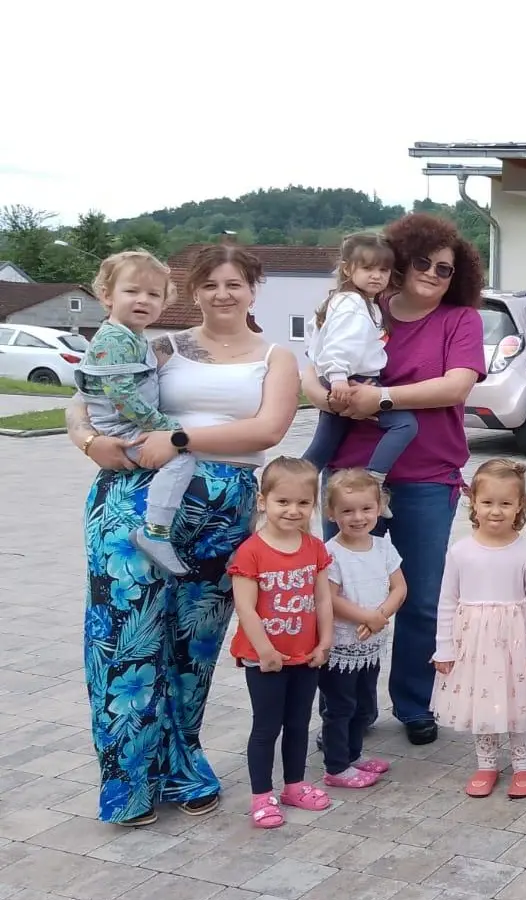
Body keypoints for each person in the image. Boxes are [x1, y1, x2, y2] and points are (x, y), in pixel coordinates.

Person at [71, 242, 299, 826]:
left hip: (224, 511)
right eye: (211, 284)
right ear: (192, 291)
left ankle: (182, 765)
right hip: (135, 500)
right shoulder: (161, 346)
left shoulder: (276, 356)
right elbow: (86, 398)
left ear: (253, 290)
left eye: (235, 283)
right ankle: (127, 785)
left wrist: (179, 440)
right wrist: (90, 442)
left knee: (191, 649)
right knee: (126, 641)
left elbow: (268, 429)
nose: (223, 293)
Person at [305, 212, 487, 747]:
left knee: (421, 598)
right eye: (424, 263)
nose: (434, 274)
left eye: (447, 269)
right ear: (400, 263)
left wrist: (380, 398)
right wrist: (335, 397)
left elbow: (456, 387)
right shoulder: (360, 305)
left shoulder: (461, 321)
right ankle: (348, 710)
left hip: (428, 478)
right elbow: (311, 371)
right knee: (340, 596)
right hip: (351, 482)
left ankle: (414, 703)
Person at [431, 459, 526, 799]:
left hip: (515, 645)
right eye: (488, 503)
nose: (496, 511)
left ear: (520, 506)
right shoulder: (460, 552)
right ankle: (486, 764)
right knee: (482, 705)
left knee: (518, 707)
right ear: (473, 503)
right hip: (474, 645)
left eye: (505, 503)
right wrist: (443, 647)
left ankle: (523, 765)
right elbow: (447, 601)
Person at [227, 458, 337, 829]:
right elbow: (244, 606)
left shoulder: (314, 548)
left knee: (299, 722)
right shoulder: (252, 552)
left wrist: (325, 641)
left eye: (303, 503)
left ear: (313, 505)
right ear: (263, 502)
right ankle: (261, 794)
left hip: (305, 656)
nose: (293, 510)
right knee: (266, 726)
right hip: (266, 659)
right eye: (283, 502)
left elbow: (322, 599)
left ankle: (295, 785)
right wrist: (265, 650)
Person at [74, 251, 197, 576]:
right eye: (132, 291)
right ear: (106, 295)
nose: (143, 300)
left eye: (153, 294)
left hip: (125, 428)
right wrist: (165, 427)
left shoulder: (133, 338)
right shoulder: (115, 339)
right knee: (182, 458)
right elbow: (122, 395)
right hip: (123, 430)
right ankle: (155, 531)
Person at [302, 232, 417, 495]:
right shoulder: (354, 303)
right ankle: (374, 480)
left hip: (339, 377)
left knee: (324, 446)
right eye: (367, 268)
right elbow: (339, 344)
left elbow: (314, 338)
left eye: (383, 270)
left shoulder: (346, 300)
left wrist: (326, 372)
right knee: (404, 424)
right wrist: (339, 377)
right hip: (355, 380)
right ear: (347, 269)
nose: (376, 276)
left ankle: (291, 491)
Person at [320, 468, 406, 790]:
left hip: (371, 642)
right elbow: (329, 598)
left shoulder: (383, 547)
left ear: (379, 507)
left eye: (366, 509)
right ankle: (336, 766)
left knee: (363, 702)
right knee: (340, 706)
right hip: (342, 644)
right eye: (347, 510)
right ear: (331, 513)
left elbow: (399, 588)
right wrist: (365, 617)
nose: (358, 517)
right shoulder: (331, 553)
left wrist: (380, 616)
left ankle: (353, 755)